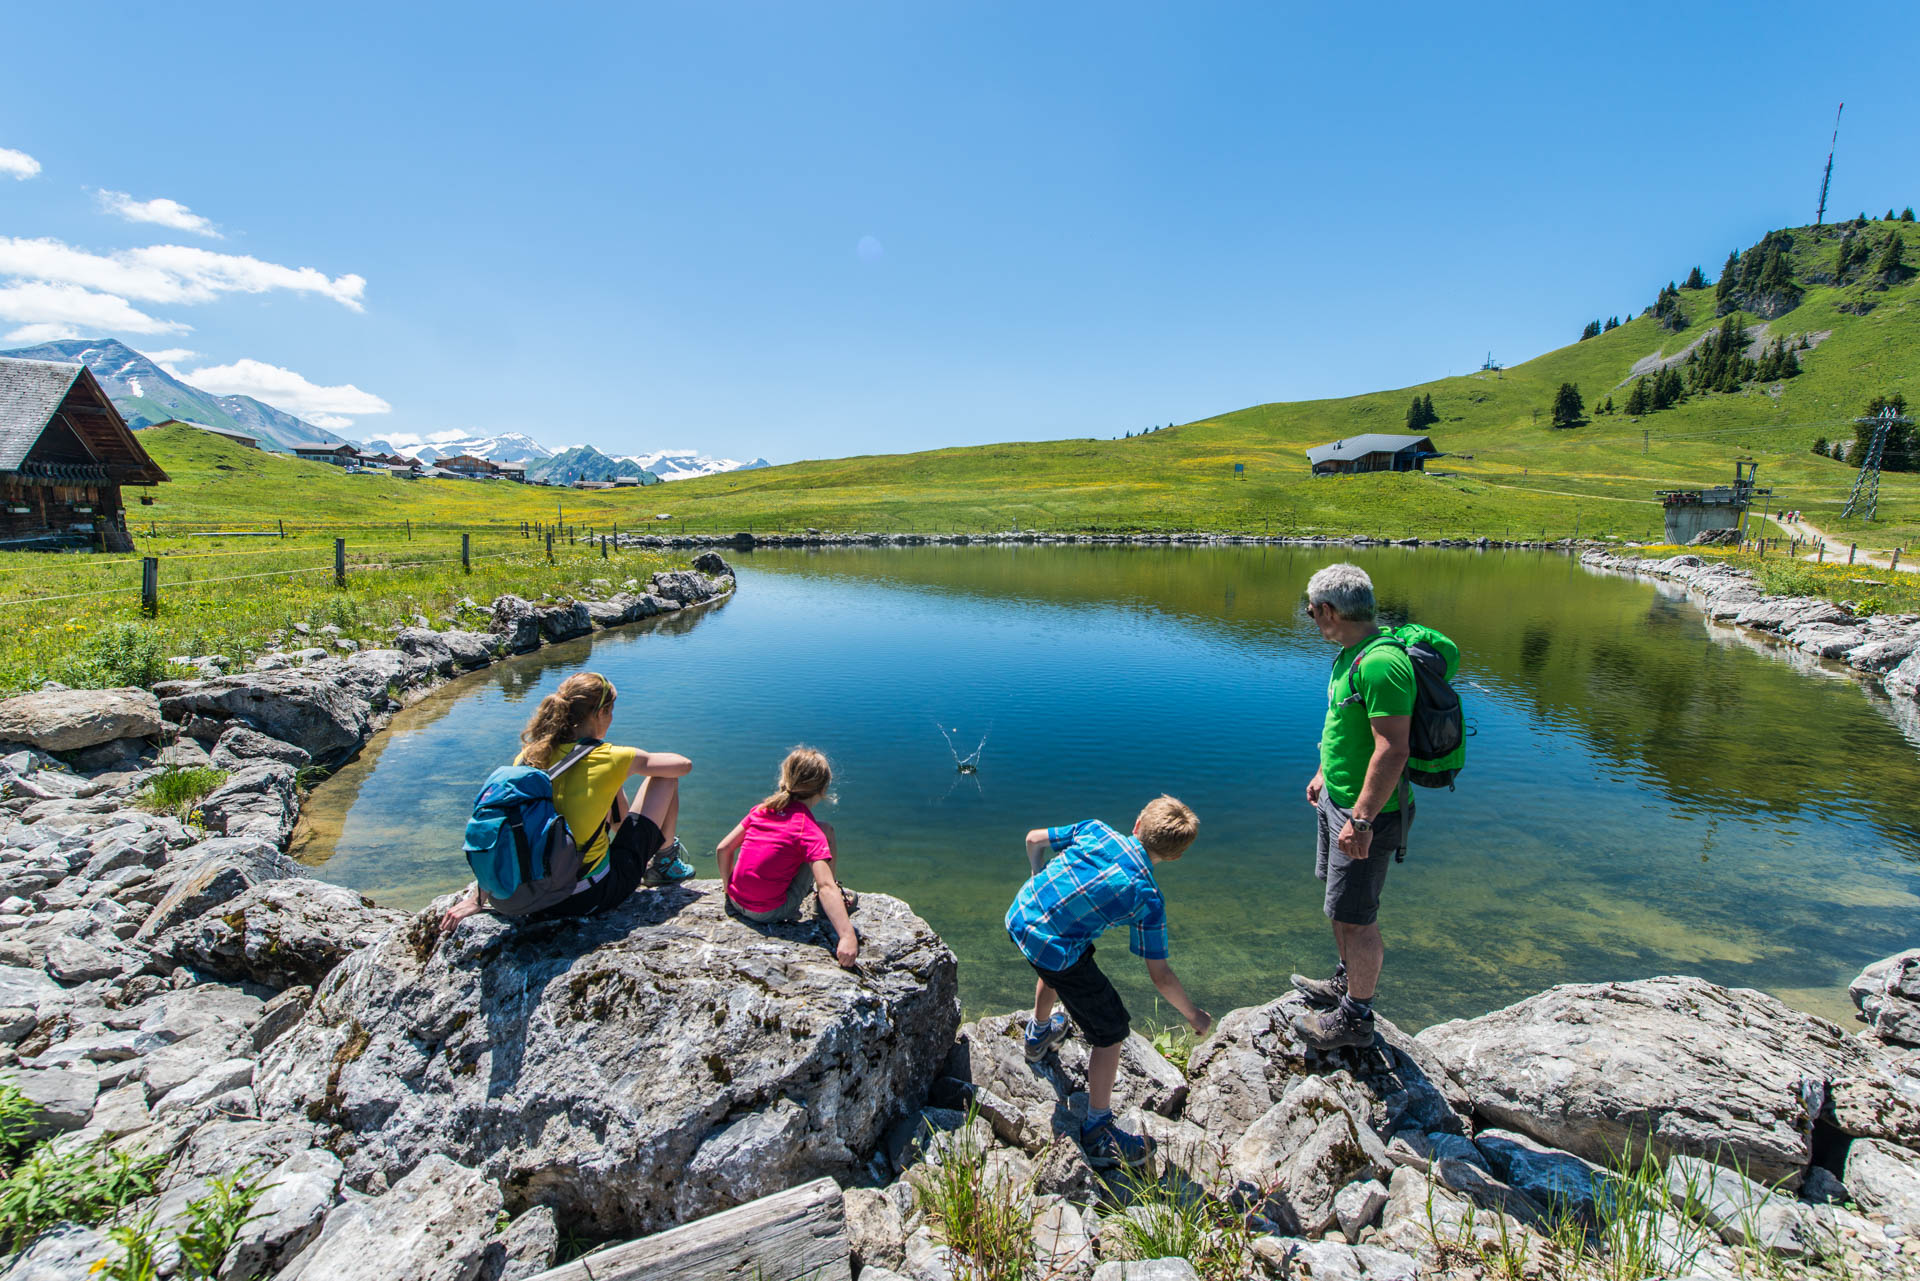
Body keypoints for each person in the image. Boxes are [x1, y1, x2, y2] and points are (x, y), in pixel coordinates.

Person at [1005, 797, 1211, 1169]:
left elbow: (1033, 840)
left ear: (1136, 824)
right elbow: (1161, 976)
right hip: (1054, 947)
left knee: (1063, 955)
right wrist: (1194, 1015)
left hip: (1019, 916)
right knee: (1111, 1031)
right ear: (1176, 857)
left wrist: (1037, 880)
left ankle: (1038, 1035)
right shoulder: (1148, 899)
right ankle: (1098, 1130)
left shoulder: (1095, 830)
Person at [440, 671, 694, 930]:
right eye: (611, 711)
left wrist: (479, 897)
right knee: (665, 777)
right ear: (599, 713)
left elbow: (508, 829)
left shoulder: (527, 757)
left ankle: (488, 891)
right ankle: (665, 863)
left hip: (525, 898)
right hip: (585, 897)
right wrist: (624, 767)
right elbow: (683, 765)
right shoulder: (611, 757)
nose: (612, 718)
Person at [1292, 563, 1413, 1051]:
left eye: (1310, 610)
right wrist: (1324, 772)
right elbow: (1345, 727)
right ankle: (1345, 985)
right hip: (1339, 803)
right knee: (1341, 906)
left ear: (1327, 610)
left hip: (1368, 815)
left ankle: (1356, 1019)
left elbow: (1393, 749)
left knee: (1359, 917)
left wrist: (1361, 818)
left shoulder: (1381, 663)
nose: (1310, 618)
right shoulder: (1350, 655)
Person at [716, 747, 860, 968]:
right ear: (823, 789)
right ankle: (827, 906)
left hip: (735, 901)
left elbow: (723, 849)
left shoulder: (761, 810)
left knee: (825, 831)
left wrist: (728, 889)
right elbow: (824, 885)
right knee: (815, 854)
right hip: (768, 912)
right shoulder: (808, 830)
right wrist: (847, 936)